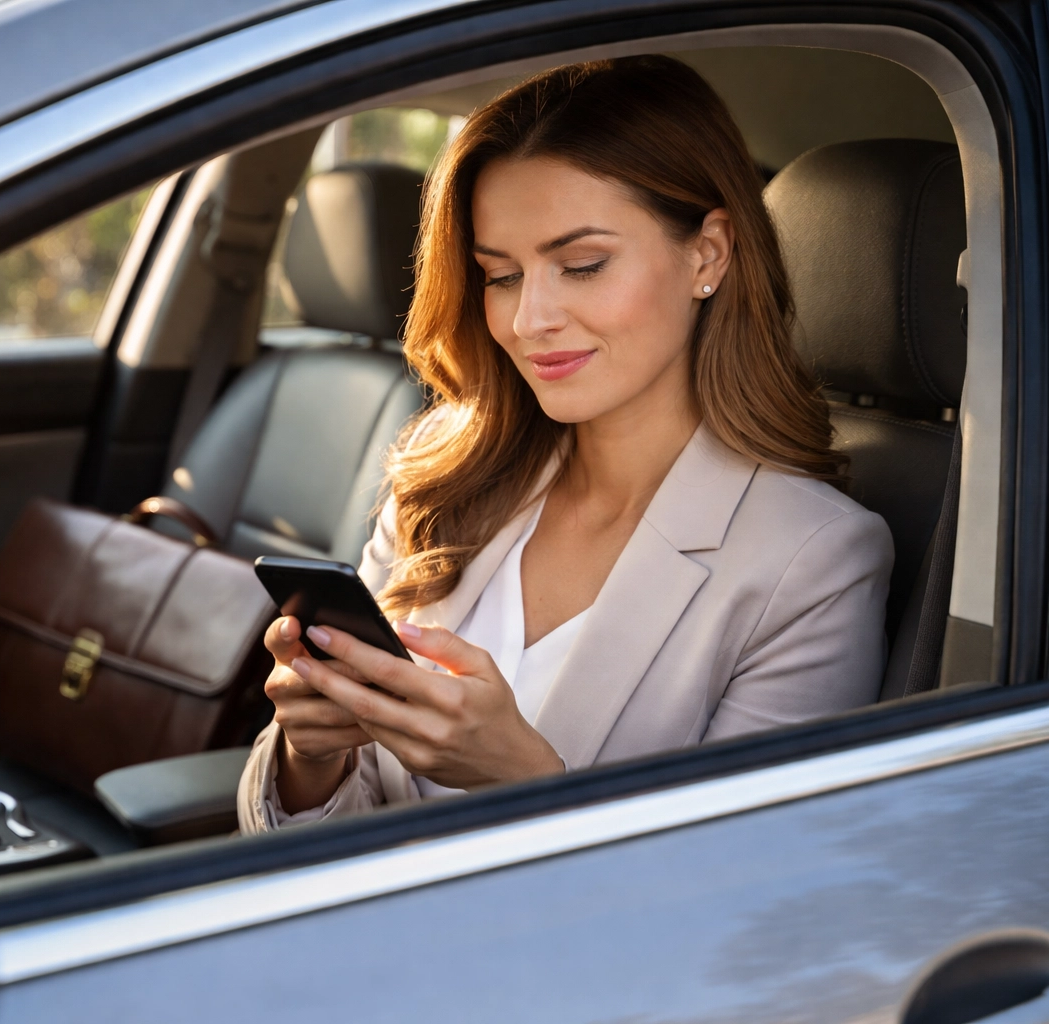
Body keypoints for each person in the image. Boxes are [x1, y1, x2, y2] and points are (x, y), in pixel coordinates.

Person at [237, 55, 894, 833]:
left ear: (707, 255)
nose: (528, 320)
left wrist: (521, 774)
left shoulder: (811, 562)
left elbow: (748, 896)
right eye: (501, 275)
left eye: (581, 265)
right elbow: (297, 838)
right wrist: (309, 759)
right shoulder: (447, 478)